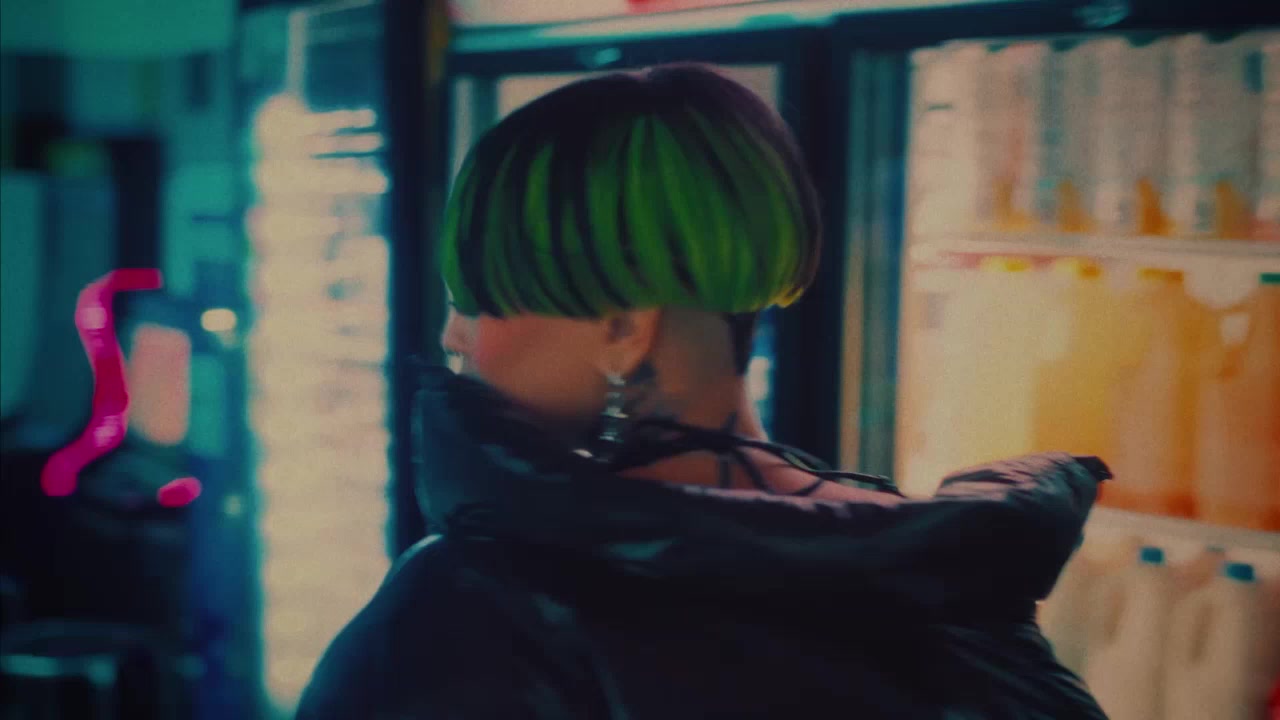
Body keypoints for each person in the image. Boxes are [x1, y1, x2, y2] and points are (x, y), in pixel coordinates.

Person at [295, 64, 1110, 719]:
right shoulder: (944, 574)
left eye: (482, 298)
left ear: (623, 329)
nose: (454, 335)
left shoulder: (474, 602)